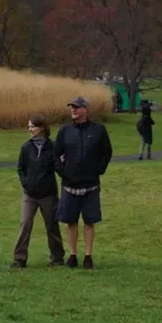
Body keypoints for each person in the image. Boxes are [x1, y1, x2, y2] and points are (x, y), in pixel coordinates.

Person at [53, 95, 112, 269]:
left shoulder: (98, 130)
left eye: (77, 107)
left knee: (89, 221)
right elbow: (55, 155)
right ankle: (72, 255)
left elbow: (106, 153)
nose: (73, 109)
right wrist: (63, 172)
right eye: (72, 107)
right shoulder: (65, 131)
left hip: (90, 184)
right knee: (70, 221)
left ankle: (88, 255)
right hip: (69, 184)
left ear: (85, 110)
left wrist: (98, 170)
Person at [12, 113, 66, 269]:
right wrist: (25, 183)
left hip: (48, 194)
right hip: (30, 194)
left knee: (52, 226)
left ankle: (57, 258)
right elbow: (20, 168)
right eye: (28, 126)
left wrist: (65, 164)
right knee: (25, 224)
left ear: (42, 128)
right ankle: (19, 259)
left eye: (32, 126)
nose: (29, 129)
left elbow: (59, 169)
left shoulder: (53, 147)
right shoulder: (26, 147)